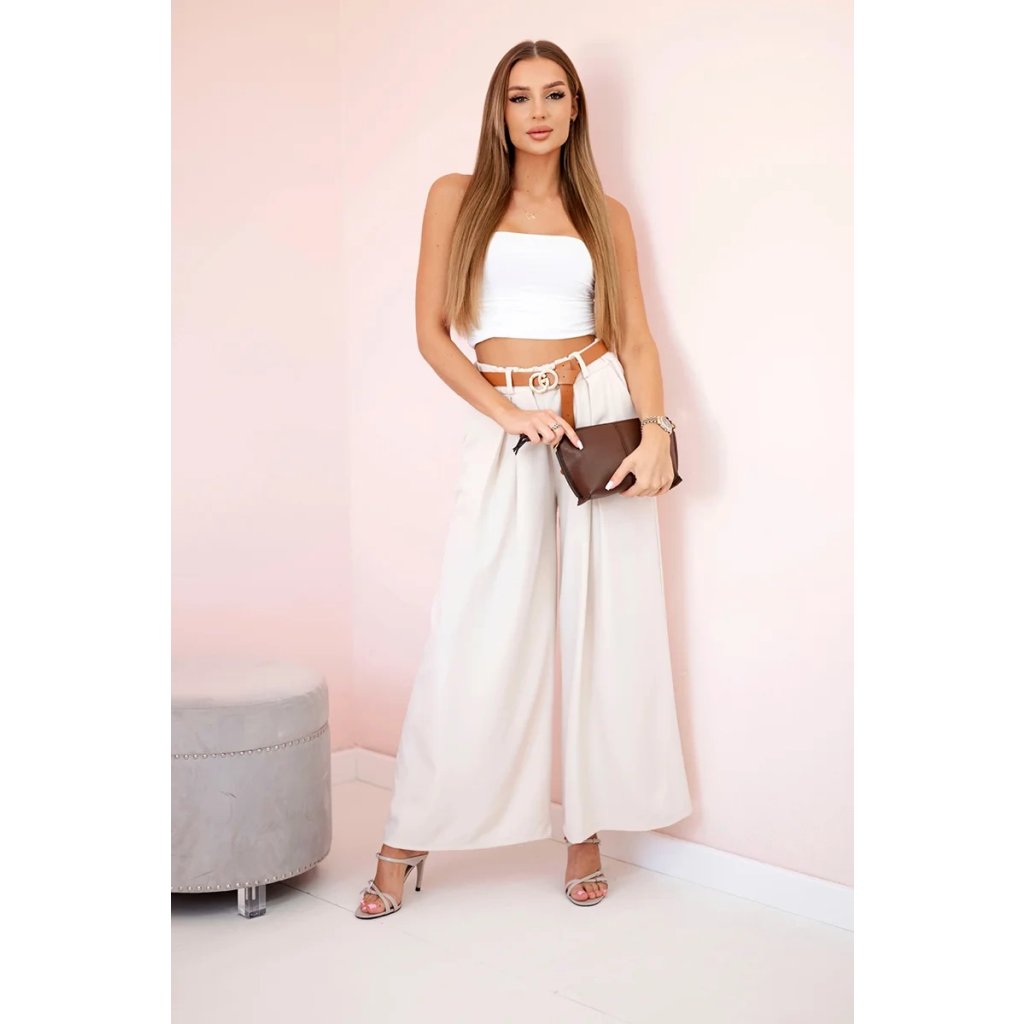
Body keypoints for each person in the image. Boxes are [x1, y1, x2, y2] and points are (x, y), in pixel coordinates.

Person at [355, 39, 692, 919]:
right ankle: (407, 837)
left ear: (576, 108)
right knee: (475, 628)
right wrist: (508, 413)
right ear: (498, 111)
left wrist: (658, 431)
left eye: (553, 95)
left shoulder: (605, 214)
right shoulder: (456, 196)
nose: (536, 112)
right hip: (507, 421)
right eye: (518, 97)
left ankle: (586, 833)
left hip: (598, 415)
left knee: (604, 628)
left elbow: (637, 336)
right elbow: (432, 334)